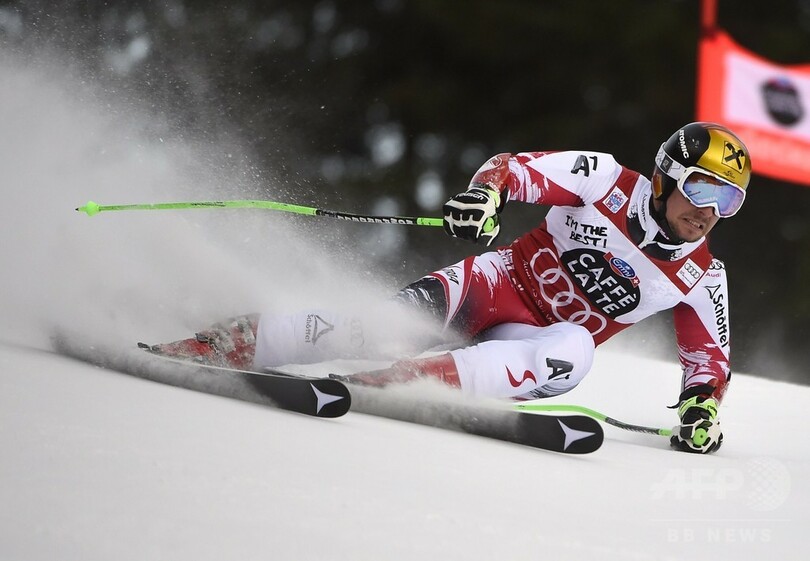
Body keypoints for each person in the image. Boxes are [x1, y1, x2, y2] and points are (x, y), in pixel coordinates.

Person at [150, 122, 751, 454]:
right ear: (668, 175)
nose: (710, 211)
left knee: (576, 348)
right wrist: (485, 196)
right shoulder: (606, 180)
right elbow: (515, 169)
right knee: (381, 327)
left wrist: (703, 409)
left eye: (730, 200)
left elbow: (709, 363)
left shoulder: (703, 276)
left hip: (537, 345)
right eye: (703, 189)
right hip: (494, 286)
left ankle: (400, 384)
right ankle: (223, 343)